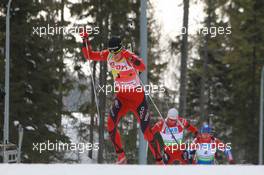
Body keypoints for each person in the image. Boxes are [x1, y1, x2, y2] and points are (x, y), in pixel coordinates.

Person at [80, 32, 163, 164]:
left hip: (138, 100)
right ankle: (121, 157)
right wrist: (85, 40)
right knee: (110, 125)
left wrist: (134, 61)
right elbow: (89, 55)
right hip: (122, 98)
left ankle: (160, 162)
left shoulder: (127, 55)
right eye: (112, 53)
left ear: (121, 49)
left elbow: (142, 66)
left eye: (117, 52)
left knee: (147, 132)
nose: (115, 55)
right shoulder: (108, 54)